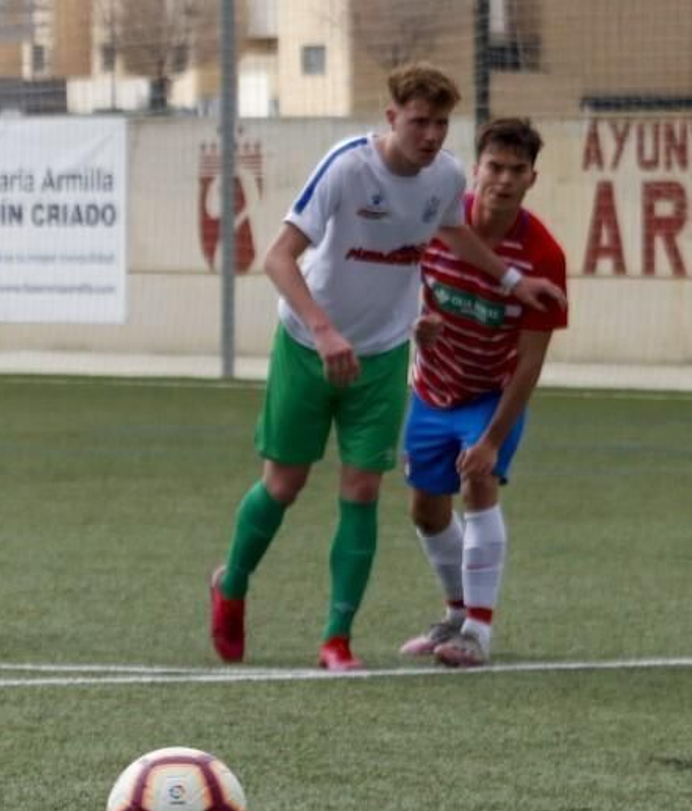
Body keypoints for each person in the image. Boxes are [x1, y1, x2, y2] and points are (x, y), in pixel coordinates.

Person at [207, 62, 565, 672]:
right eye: (419, 122)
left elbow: (453, 233)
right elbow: (277, 257)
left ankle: (337, 639)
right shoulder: (348, 168)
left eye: (441, 124)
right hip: (307, 345)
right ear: (392, 118)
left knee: (363, 489)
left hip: (381, 355)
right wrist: (324, 332)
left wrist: (510, 279)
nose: (430, 136)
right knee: (284, 485)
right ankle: (232, 584)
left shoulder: (446, 177)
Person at [397, 118, 567, 668]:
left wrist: (492, 440)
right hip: (432, 386)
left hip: (491, 393)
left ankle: (478, 631)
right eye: (495, 167)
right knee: (425, 510)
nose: (504, 179)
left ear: (532, 179)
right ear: (476, 170)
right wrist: (416, 325)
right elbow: (402, 291)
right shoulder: (440, 223)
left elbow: (531, 362)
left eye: (518, 170)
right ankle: (454, 614)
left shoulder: (543, 256)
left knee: (478, 478)